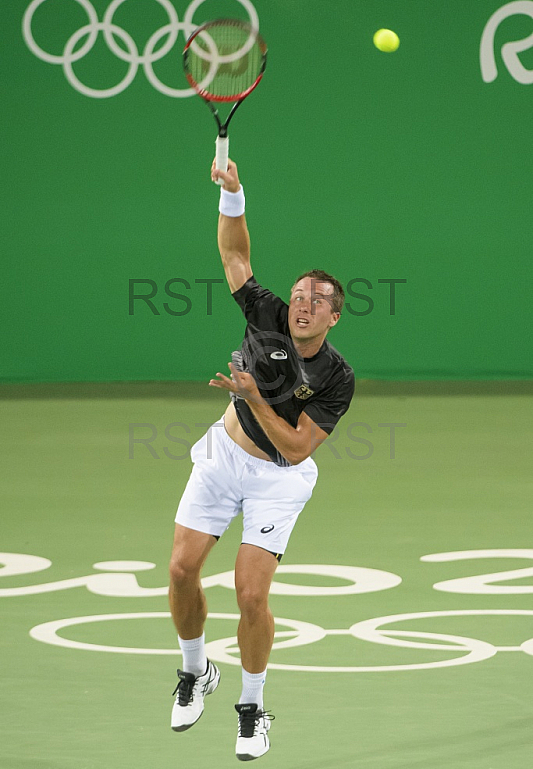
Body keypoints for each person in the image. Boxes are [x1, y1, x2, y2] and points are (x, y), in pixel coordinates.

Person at [169, 158, 355, 761]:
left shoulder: (337, 378)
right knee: (179, 570)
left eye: (316, 301)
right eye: (299, 294)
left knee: (250, 595)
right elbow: (235, 258)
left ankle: (251, 709)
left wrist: (252, 395)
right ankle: (196, 672)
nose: (302, 305)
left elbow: (297, 447)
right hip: (223, 455)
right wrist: (234, 193)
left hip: (280, 479)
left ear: (334, 315)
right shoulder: (266, 314)